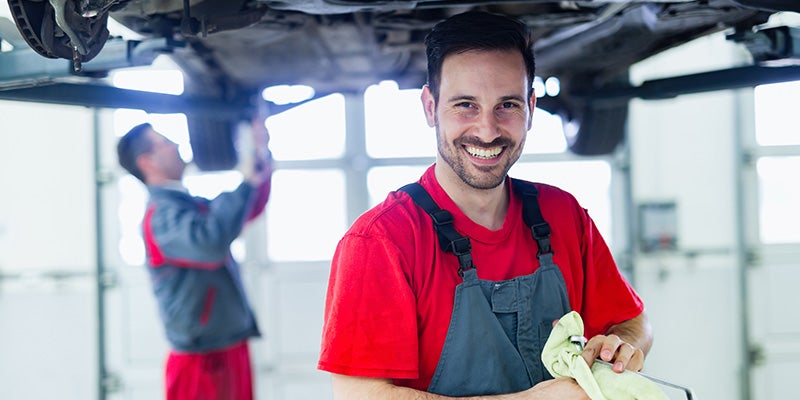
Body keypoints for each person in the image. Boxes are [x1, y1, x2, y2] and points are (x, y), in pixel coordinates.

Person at [317, 10, 652, 400]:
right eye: (466, 105)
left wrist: (622, 346)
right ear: (430, 107)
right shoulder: (381, 241)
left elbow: (633, 321)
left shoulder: (564, 215)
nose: (488, 131)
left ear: (531, 107)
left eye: (507, 105)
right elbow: (359, 395)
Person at [116, 114, 272, 400]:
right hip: (201, 362)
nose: (175, 145)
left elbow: (244, 210)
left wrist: (260, 152)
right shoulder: (161, 217)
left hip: (226, 347)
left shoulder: (187, 206)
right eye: (164, 142)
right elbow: (210, 244)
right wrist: (247, 183)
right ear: (147, 162)